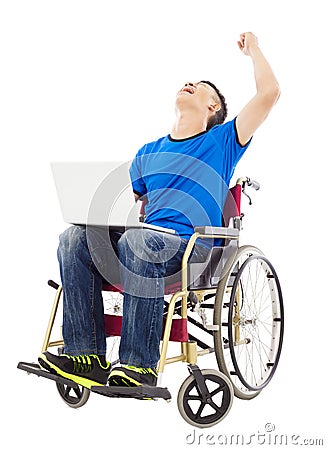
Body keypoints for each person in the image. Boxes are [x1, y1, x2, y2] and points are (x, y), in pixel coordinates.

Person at [39, 32, 280, 389]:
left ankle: (138, 365)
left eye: (199, 87)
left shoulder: (223, 141)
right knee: (74, 238)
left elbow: (269, 94)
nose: (189, 84)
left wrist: (254, 50)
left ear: (213, 108)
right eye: (189, 82)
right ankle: (85, 355)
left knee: (140, 242)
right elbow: (124, 207)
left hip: (191, 249)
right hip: (141, 243)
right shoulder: (147, 153)